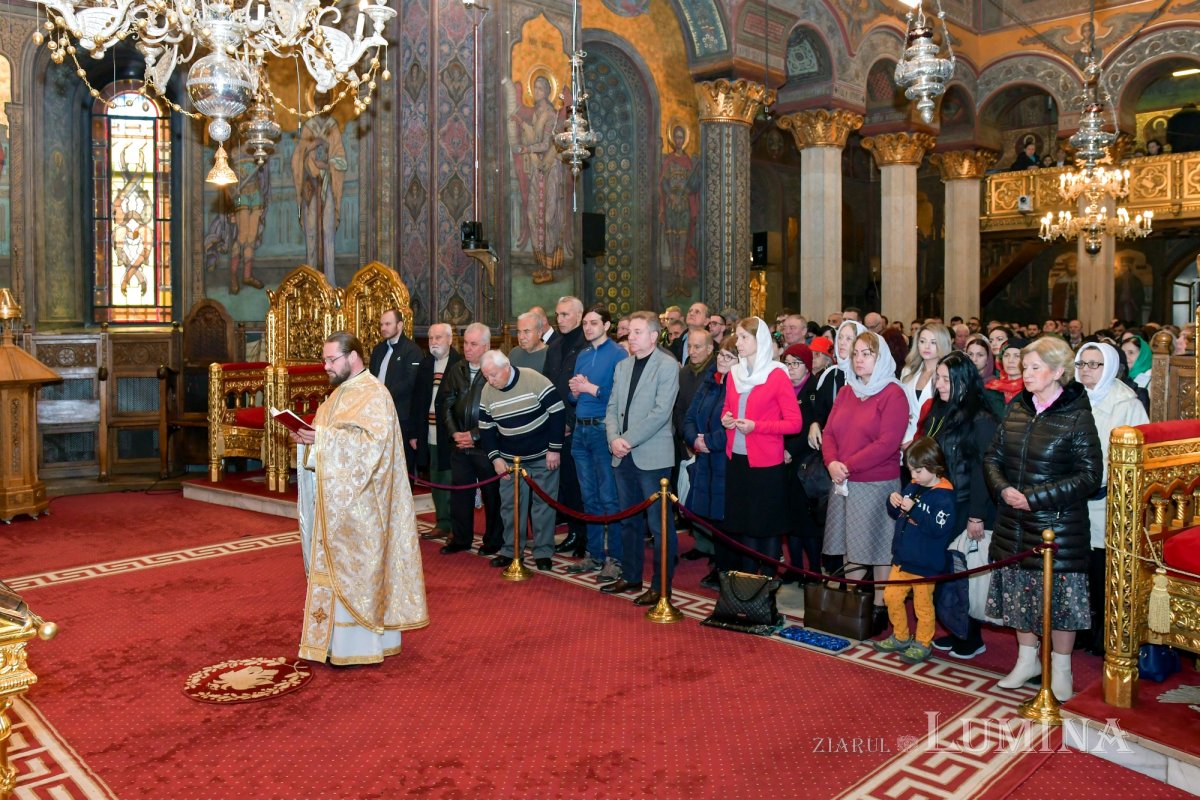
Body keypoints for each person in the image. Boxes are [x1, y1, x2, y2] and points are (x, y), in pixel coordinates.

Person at [293, 332, 428, 666]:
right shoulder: (338, 395)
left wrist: (322, 439)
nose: (325, 366)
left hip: (363, 508)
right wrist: (308, 440)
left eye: (330, 360)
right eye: (324, 360)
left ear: (352, 357)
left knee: (359, 575)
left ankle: (360, 647)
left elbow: (372, 448)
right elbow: (328, 439)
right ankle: (331, 643)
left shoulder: (374, 395)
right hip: (335, 506)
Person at [984, 336, 1102, 702]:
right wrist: (1003, 490)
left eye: (1035, 368)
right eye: (1025, 367)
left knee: (1062, 600)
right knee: (1019, 593)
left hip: (1057, 526)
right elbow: (992, 457)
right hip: (1013, 523)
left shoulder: (1078, 416)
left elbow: (1088, 476)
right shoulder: (1018, 408)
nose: (1026, 374)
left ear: (1058, 372)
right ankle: (1026, 661)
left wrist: (1032, 499)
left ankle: (1062, 668)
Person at [822, 331, 909, 632]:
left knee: (879, 547)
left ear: (880, 357)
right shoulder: (847, 391)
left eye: (866, 353)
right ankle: (852, 602)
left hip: (876, 483)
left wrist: (847, 465)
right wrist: (832, 462)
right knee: (850, 543)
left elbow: (888, 443)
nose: (858, 359)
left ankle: (880, 606)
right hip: (843, 480)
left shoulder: (892, 393)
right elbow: (829, 432)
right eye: (855, 353)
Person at [923, 352, 998, 659]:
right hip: (943, 501)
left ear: (962, 381)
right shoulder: (942, 410)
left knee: (964, 573)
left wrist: (977, 515)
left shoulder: (980, 418)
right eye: (937, 377)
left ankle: (971, 636)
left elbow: (986, 470)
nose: (939, 384)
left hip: (968, 505)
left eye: (945, 379)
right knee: (945, 572)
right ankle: (955, 630)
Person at [1074, 343, 1148, 656]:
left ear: (1111, 367)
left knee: (1105, 571)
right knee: (1077, 568)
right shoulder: (1070, 398)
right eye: (1082, 363)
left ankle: (1106, 635)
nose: (1087, 370)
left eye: (1095, 364)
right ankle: (1078, 629)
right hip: (1073, 499)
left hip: (1110, 502)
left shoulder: (1126, 402)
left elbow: (1141, 453)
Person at [602, 311, 679, 606]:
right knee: (628, 520)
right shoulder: (623, 366)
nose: (630, 337)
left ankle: (661, 587)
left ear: (653, 335)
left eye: (636, 332)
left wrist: (627, 440)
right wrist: (613, 439)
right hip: (622, 455)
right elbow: (611, 407)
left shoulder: (667, 365)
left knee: (659, 525)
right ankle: (632, 575)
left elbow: (660, 413)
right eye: (629, 332)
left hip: (652, 456)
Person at [717, 318, 802, 574]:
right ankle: (745, 588)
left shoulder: (776, 374)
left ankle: (765, 590)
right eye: (737, 336)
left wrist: (757, 426)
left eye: (744, 337)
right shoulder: (734, 374)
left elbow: (794, 424)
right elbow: (727, 408)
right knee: (742, 528)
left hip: (766, 464)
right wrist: (726, 419)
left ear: (759, 340)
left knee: (765, 529)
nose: (738, 342)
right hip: (737, 461)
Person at [478, 349, 565, 571]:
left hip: (542, 456)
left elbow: (557, 411)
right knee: (510, 506)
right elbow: (486, 428)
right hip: (510, 460)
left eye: (494, 374)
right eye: (486, 375)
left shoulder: (533, 379)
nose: (490, 380)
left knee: (543, 506)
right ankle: (511, 551)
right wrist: (495, 458)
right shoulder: (488, 391)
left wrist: (554, 449)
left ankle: (543, 552)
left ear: (506, 367)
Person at [874, 437, 957, 664]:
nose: (913, 476)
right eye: (911, 471)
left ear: (934, 467)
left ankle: (923, 643)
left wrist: (915, 510)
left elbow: (939, 529)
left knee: (922, 606)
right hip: (902, 557)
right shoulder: (914, 486)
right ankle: (900, 635)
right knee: (891, 597)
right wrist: (893, 503)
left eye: (918, 471)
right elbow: (897, 515)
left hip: (925, 563)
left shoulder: (945, 496)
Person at [565, 305, 627, 581]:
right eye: (586, 323)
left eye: (593, 323)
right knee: (587, 495)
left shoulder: (618, 354)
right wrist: (577, 391)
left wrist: (591, 389)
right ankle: (593, 554)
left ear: (607, 324)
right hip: (581, 430)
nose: (588, 327)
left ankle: (614, 557)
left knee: (608, 497)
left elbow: (620, 395)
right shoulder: (583, 354)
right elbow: (575, 398)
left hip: (603, 430)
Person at [438, 323, 503, 556]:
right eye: (465, 343)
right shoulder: (457, 369)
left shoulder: (496, 370)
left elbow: (499, 409)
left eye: (473, 344)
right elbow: (446, 404)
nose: (467, 348)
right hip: (460, 444)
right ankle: (461, 538)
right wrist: (456, 433)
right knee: (460, 494)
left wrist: (475, 436)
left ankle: (494, 540)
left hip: (486, 445)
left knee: (492, 495)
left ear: (486, 346)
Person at [683, 334, 736, 590]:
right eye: (722, 355)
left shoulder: (739, 385)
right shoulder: (711, 380)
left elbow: (734, 424)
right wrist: (696, 440)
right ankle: (718, 564)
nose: (723, 361)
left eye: (730, 357)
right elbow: (690, 415)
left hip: (725, 460)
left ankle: (727, 569)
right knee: (711, 517)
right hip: (706, 458)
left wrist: (710, 442)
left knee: (726, 517)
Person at [542, 296, 588, 556]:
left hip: (577, 424)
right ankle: (573, 531)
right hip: (556, 422)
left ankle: (584, 537)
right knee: (566, 484)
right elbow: (549, 385)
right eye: (558, 315)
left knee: (581, 485)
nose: (560, 320)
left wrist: (570, 422)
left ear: (579, 316)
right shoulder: (555, 345)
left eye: (565, 315)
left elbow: (584, 389)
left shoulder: (586, 346)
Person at [409, 323, 461, 540]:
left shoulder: (459, 364)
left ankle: (456, 525)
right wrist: (414, 433)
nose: (434, 342)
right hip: (428, 432)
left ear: (450, 339)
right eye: (431, 338)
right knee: (437, 477)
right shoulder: (426, 364)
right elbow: (417, 401)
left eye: (439, 337)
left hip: (450, 433)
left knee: (452, 478)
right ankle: (442, 521)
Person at [781, 342, 820, 583]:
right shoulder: (783, 387)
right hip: (782, 460)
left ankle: (814, 571)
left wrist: (791, 451)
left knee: (807, 522)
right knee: (789, 519)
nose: (791, 368)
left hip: (806, 463)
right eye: (787, 363)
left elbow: (813, 426)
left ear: (807, 367)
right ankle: (795, 567)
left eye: (796, 364)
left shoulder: (814, 390)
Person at [292, 114, 347, 283]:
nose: (321, 103)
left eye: (325, 99)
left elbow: (341, 160)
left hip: (327, 186)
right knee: (311, 232)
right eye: (318, 99)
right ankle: (312, 281)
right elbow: (297, 158)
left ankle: (329, 284)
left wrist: (327, 164)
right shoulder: (308, 127)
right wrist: (310, 148)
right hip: (310, 188)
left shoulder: (333, 127)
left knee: (327, 231)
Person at [369, 308, 424, 469]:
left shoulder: (412, 350)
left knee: (403, 464)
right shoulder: (378, 350)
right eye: (381, 324)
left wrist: (384, 395)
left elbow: (410, 382)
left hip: (402, 416)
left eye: (388, 324)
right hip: (379, 415)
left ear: (399, 325)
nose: (383, 328)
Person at [900, 323, 953, 444]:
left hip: (932, 443)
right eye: (922, 341)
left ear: (942, 344)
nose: (927, 347)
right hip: (905, 438)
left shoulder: (948, 375)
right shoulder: (908, 371)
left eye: (933, 342)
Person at [985, 337, 1026, 408]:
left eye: (1017, 356)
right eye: (1006, 355)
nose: (1010, 360)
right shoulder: (990, 388)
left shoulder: (1032, 391)